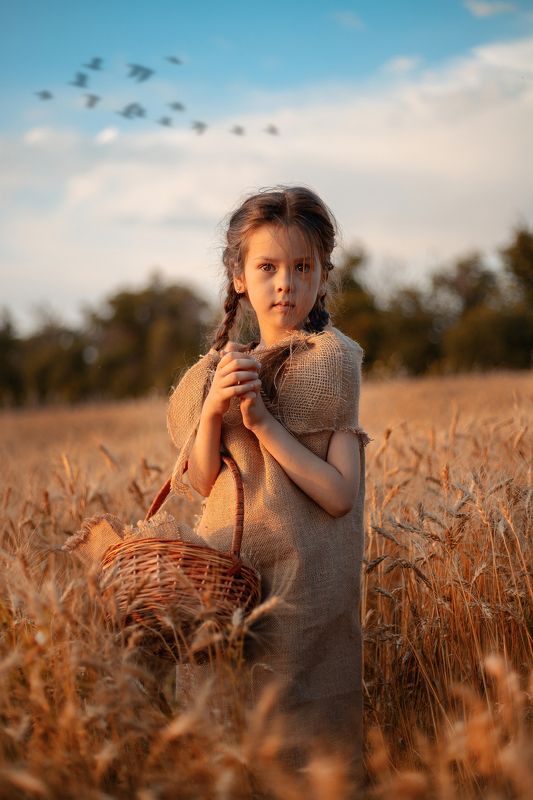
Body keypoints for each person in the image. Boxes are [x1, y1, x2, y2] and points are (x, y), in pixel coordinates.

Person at [167, 185, 370, 782]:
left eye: (303, 267)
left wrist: (262, 423)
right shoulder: (218, 370)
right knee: (227, 733)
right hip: (228, 582)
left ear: (323, 277)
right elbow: (202, 483)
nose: (286, 283)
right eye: (268, 267)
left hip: (304, 589)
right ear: (239, 277)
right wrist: (213, 412)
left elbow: (339, 495)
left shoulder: (331, 364)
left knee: (305, 748)